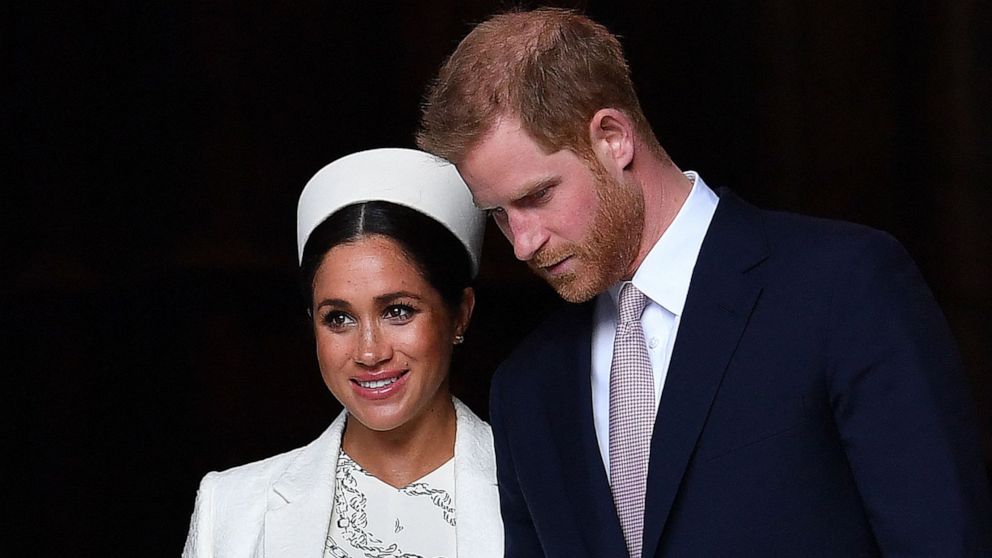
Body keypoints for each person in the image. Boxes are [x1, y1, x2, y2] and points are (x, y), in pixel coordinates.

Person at [417, 8, 992, 557]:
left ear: (613, 137)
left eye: (537, 196)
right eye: (498, 213)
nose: (521, 242)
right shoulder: (526, 389)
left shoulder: (842, 289)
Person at [182, 148, 503, 557]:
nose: (369, 352)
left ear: (460, 314)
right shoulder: (231, 509)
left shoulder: (539, 490)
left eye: (397, 311)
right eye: (338, 318)